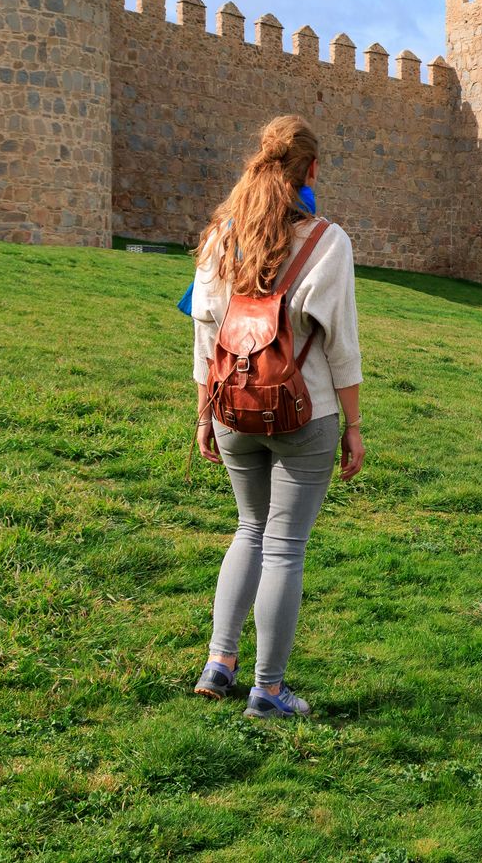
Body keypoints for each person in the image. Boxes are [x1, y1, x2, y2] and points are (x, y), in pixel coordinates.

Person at [187, 115, 366, 719]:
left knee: (249, 529)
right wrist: (356, 426)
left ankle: (219, 662)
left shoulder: (221, 236)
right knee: (285, 545)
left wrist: (203, 414)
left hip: (233, 405)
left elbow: (206, 331)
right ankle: (267, 690)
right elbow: (341, 345)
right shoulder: (326, 241)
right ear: (311, 171)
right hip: (301, 412)